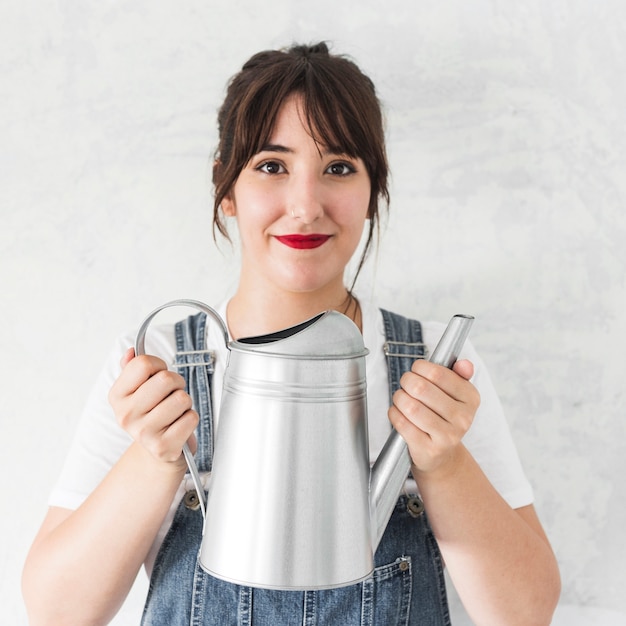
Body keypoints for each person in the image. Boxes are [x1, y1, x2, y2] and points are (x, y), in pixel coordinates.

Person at [22, 42, 560, 625]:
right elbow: (56, 613)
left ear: (373, 193)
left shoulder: (433, 368)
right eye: (271, 166)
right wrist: (155, 458)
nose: (305, 206)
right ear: (225, 189)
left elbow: (525, 613)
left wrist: (445, 465)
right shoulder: (154, 366)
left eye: (339, 168)